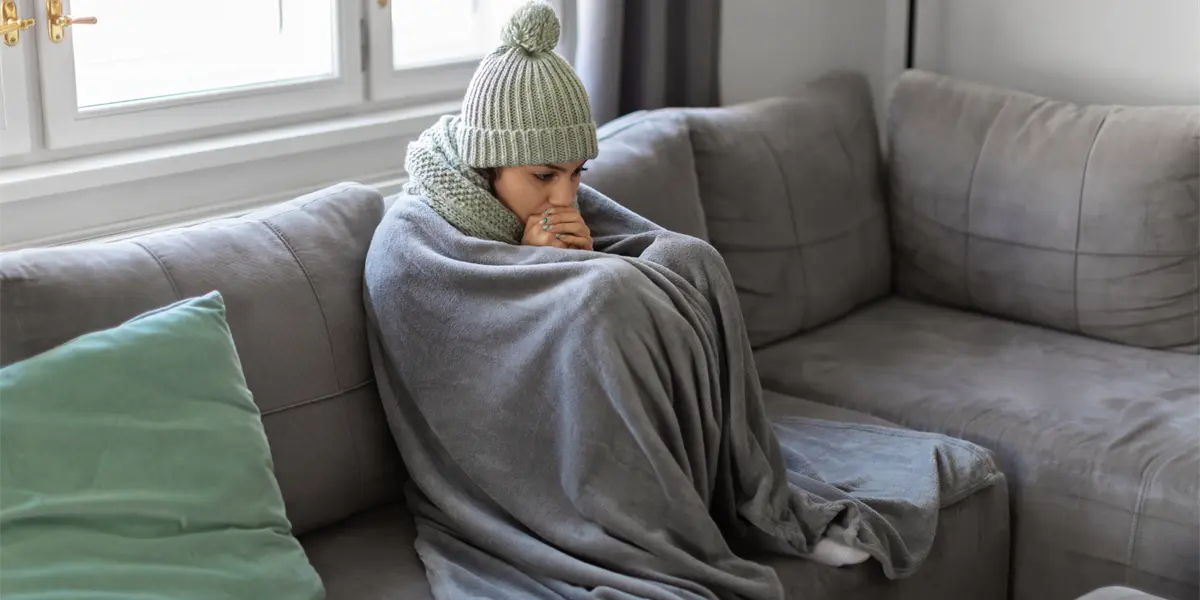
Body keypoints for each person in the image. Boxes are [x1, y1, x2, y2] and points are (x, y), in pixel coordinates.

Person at [402, 0, 598, 252]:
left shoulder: (574, 218)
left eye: (578, 171)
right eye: (543, 175)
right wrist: (533, 260)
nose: (565, 198)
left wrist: (582, 258)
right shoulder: (413, 235)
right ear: (487, 164)